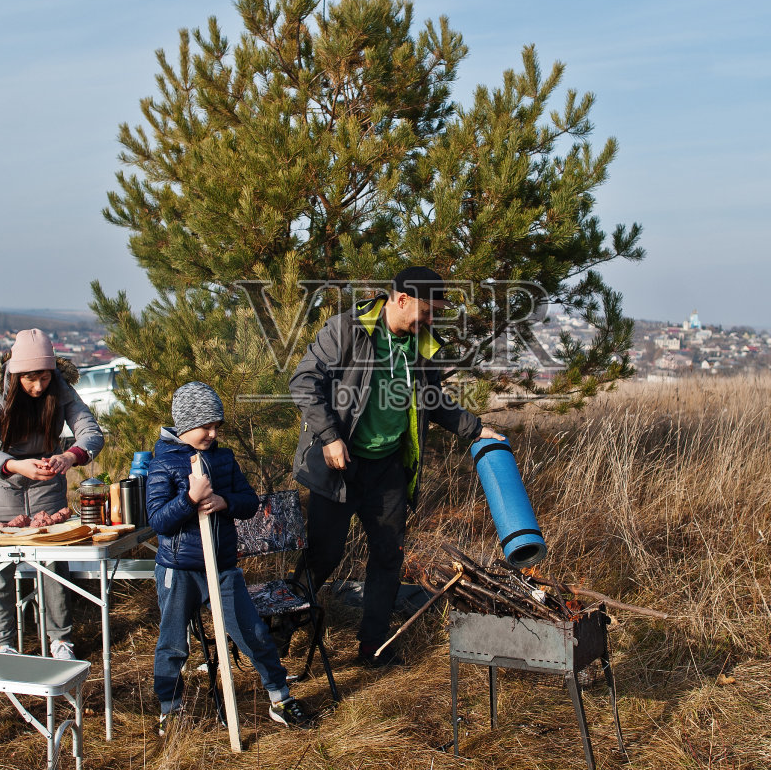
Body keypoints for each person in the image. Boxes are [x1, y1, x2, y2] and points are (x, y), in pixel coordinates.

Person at [290, 265, 503, 666]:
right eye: (428, 311)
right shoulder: (347, 329)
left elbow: (433, 400)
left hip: (387, 469)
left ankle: (373, 647)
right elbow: (303, 382)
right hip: (340, 466)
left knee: (388, 557)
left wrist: (475, 429)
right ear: (402, 300)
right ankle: (279, 633)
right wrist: (330, 437)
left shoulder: (421, 345)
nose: (432, 320)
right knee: (323, 556)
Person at [145, 381, 315, 735]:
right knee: (173, 643)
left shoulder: (224, 459)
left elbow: (249, 502)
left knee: (253, 633)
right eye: (205, 426)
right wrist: (189, 499)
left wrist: (224, 502)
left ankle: (280, 698)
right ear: (185, 423)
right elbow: (158, 520)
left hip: (221, 567)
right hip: (179, 570)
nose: (212, 433)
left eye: (216, 426)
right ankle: (170, 710)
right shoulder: (164, 464)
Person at [0, 328, 103, 660]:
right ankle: (4, 644)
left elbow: (90, 431)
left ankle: (61, 640)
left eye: (44, 377)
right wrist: (14, 465)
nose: (39, 386)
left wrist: (70, 456)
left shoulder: (61, 388)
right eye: (31, 379)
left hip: (47, 491)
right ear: (16, 375)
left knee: (54, 566)